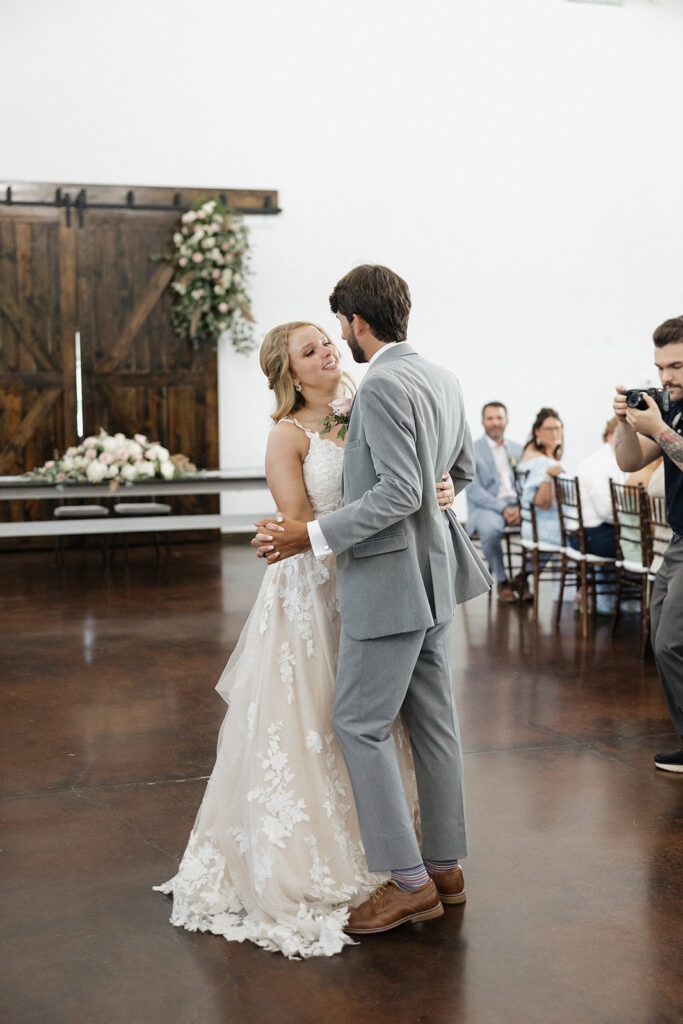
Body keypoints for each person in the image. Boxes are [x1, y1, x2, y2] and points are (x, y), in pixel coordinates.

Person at [154, 320, 459, 959]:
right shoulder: (286, 436)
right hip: (317, 591)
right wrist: (379, 509)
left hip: (379, 583)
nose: (327, 353)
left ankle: (411, 858)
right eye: (309, 350)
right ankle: (336, 855)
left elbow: (411, 477)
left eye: (327, 341)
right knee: (320, 720)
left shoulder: (369, 402)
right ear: (290, 373)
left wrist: (436, 489)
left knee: (385, 720)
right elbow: (296, 520)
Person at [255, 264, 491, 936]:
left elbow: (395, 494)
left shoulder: (382, 384)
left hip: (386, 582)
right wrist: (434, 487)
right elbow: (459, 474)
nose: (338, 342)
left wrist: (314, 534)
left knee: (357, 725)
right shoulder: (440, 377)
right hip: (434, 580)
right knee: (434, 726)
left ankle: (409, 882)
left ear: (356, 324)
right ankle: (445, 866)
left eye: (338, 329)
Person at [613, 315, 683, 774]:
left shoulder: (670, 415)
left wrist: (657, 426)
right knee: (661, 632)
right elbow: (628, 461)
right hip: (680, 537)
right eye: (660, 367)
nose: (666, 377)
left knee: (672, 641)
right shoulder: (673, 407)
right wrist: (623, 422)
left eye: (676, 366)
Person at [467, 402, 525, 602]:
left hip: (518, 506)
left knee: (548, 528)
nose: (495, 423)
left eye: (499, 418)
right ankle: (502, 581)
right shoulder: (472, 450)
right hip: (487, 507)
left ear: (506, 421)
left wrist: (520, 507)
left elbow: (527, 484)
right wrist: (503, 508)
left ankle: (523, 578)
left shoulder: (519, 449)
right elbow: (474, 490)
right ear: (483, 422)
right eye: (490, 418)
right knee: (491, 530)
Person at [574, 417, 626, 613]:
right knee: (645, 548)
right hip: (592, 535)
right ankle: (633, 603)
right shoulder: (599, 464)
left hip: (591, 532)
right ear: (611, 436)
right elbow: (606, 512)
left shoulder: (605, 460)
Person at [518, 407, 565, 547]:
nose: (555, 433)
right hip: (548, 529)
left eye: (558, 428)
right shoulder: (542, 462)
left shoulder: (531, 452)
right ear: (537, 431)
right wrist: (548, 477)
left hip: (534, 525)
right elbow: (542, 502)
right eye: (549, 429)